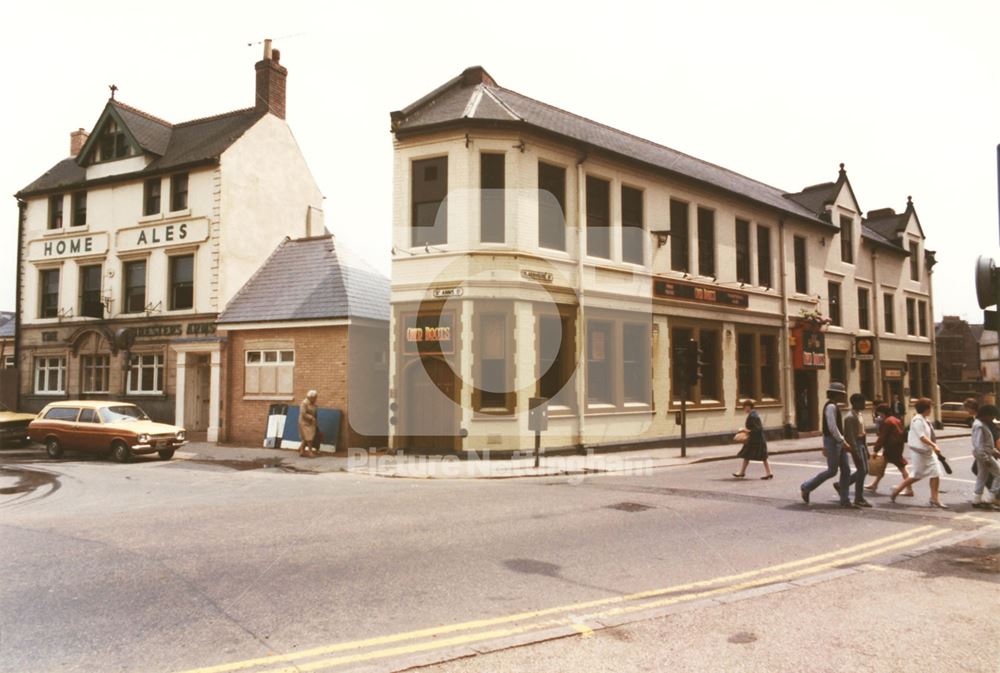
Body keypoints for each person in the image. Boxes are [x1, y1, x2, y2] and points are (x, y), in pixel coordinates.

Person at [801, 382, 855, 507]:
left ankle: (845, 500)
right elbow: (832, 427)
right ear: (837, 394)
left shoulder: (834, 406)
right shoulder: (831, 406)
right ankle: (806, 487)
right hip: (833, 441)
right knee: (832, 471)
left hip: (836, 440)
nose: (843, 397)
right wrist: (842, 442)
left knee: (846, 469)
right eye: (842, 394)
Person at [890, 397, 947, 508]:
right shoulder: (917, 420)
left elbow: (930, 435)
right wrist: (934, 445)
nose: (931, 409)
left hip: (928, 452)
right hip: (919, 452)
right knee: (916, 475)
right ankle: (897, 490)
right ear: (925, 409)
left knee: (936, 473)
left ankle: (934, 499)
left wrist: (933, 446)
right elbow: (922, 437)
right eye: (929, 407)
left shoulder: (925, 419)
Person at [866, 404, 913, 495]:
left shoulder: (887, 422)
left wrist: (876, 450)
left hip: (891, 447)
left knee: (902, 467)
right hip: (897, 446)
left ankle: (909, 489)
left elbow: (882, 437)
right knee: (882, 466)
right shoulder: (896, 420)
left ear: (883, 413)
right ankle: (874, 484)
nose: (879, 415)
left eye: (879, 413)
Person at [838, 393, 872, 507]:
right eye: (862, 402)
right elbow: (851, 437)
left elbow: (864, 432)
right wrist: (855, 452)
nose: (864, 404)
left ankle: (842, 485)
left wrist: (866, 449)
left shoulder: (859, 414)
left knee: (865, 470)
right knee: (862, 471)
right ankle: (859, 498)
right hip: (856, 444)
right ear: (855, 403)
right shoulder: (850, 417)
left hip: (861, 443)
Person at [732, 399, 773, 480]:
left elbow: (757, 429)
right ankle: (769, 473)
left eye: (744, 407)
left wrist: (744, 430)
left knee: (750, 455)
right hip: (757, 440)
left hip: (756, 440)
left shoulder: (753, 416)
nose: (744, 409)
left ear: (748, 407)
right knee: (759, 456)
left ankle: (742, 472)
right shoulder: (754, 414)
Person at [970, 404, 1000, 510]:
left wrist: (993, 451)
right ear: (986, 415)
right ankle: (991, 498)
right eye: (992, 416)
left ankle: (976, 500)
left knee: (982, 477)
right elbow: (979, 445)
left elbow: (985, 443)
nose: (992, 418)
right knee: (998, 474)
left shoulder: (981, 423)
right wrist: (986, 458)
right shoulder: (979, 426)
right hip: (984, 455)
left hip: (984, 454)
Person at [297, 390, 320, 458]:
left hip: (311, 422)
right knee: (309, 437)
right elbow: (303, 413)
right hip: (304, 422)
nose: (316, 399)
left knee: (305, 437)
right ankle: (310, 452)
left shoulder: (314, 404)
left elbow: (315, 413)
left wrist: (315, 421)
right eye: (315, 397)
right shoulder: (304, 403)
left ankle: (301, 450)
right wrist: (311, 417)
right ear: (310, 397)